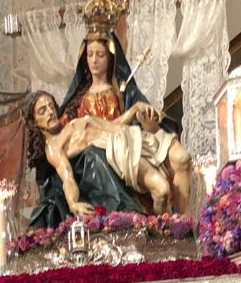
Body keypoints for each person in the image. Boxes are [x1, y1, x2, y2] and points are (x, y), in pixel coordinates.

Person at [59, 33, 192, 213]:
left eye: (100, 54)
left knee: (182, 158)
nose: (94, 61)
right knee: (160, 189)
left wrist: (150, 124)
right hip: (113, 151)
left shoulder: (125, 92)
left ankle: (184, 224)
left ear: (111, 58)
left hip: (134, 141)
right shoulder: (78, 100)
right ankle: (166, 229)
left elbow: (150, 121)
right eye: (90, 55)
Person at [27, 89, 171, 220]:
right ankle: (166, 233)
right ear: (34, 121)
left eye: (51, 107)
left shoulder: (73, 124)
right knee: (162, 190)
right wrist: (73, 203)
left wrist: (134, 109)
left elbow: (113, 125)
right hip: (117, 152)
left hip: (127, 139)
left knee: (167, 183)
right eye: (42, 111)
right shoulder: (54, 147)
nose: (50, 112)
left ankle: (170, 231)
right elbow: (67, 176)